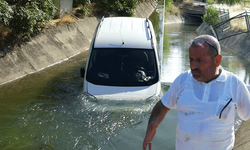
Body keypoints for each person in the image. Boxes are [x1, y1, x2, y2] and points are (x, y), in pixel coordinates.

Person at [142, 35, 250, 150]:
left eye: (200, 60)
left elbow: (247, 115)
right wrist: (152, 126)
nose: (193, 66)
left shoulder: (235, 85)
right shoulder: (182, 80)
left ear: (217, 60)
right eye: (191, 59)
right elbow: (163, 105)